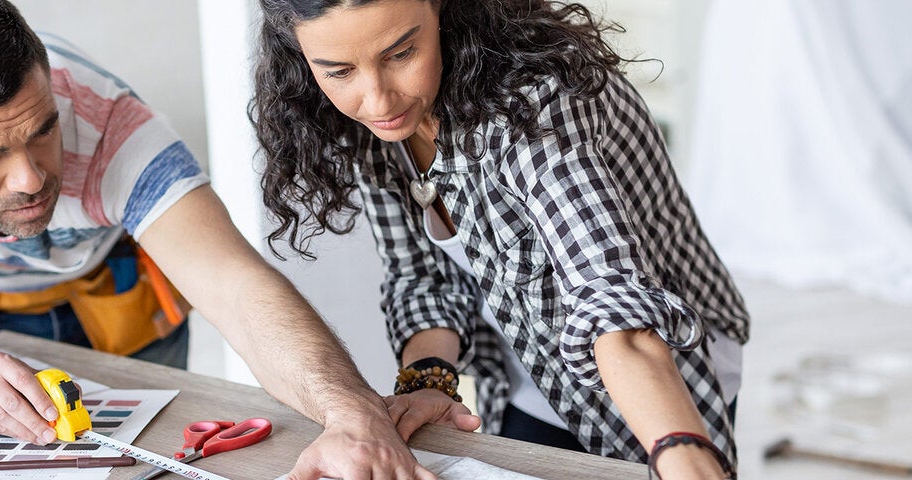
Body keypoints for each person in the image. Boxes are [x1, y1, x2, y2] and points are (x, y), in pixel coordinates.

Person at [0, 0, 433, 477]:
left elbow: (239, 288)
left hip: (116, 303)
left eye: (43, 130)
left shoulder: (111, 126)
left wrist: (354, 415)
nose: (30, 178)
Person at [251, 0, 749, 478]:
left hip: (661, 384)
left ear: (442, 8)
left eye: (401, 54)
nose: (378, 99)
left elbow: (608, 298)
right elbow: (424, 278)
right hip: (529, 378)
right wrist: (429, 380)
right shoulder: (370, 128)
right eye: (339, 71)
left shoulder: (535, 100)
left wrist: (679, 449)